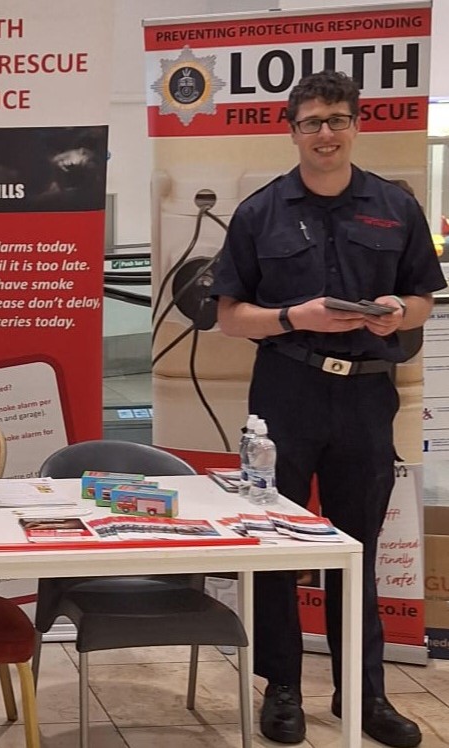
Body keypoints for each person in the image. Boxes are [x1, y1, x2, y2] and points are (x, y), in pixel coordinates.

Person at [212, 70, 444, 748]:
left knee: (356, 548)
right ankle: (282, 687)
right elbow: (228, 317)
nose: (325, 133)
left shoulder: (395, 207)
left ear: (355, 126)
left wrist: (399, 311)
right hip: (285, 392)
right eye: (311, 121)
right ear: (292, 131)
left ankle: (363, 695)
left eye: (337, 120)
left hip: (366, 395)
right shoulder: (258, 212)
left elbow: (423, 297)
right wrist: (295, 316)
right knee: (276, 544)